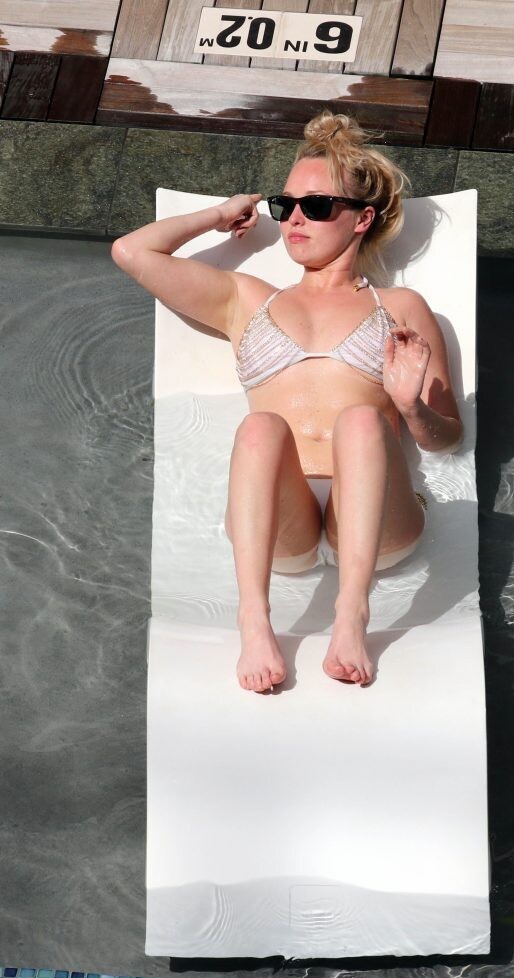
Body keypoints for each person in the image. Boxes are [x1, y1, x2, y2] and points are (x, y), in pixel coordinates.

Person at [111, 110, 463, 693]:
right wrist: (219, 214)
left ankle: (352, 613)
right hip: (280, 523)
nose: (295, 219)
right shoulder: (248, 299)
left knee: (361, 421)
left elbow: (447, 437)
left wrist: (410, 408)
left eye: (316, 206)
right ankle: (254, 619)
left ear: (362, 219)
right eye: (286, 205)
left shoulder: (400, 307)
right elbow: (131, 252)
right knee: (260, 428)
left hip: (376, 522)